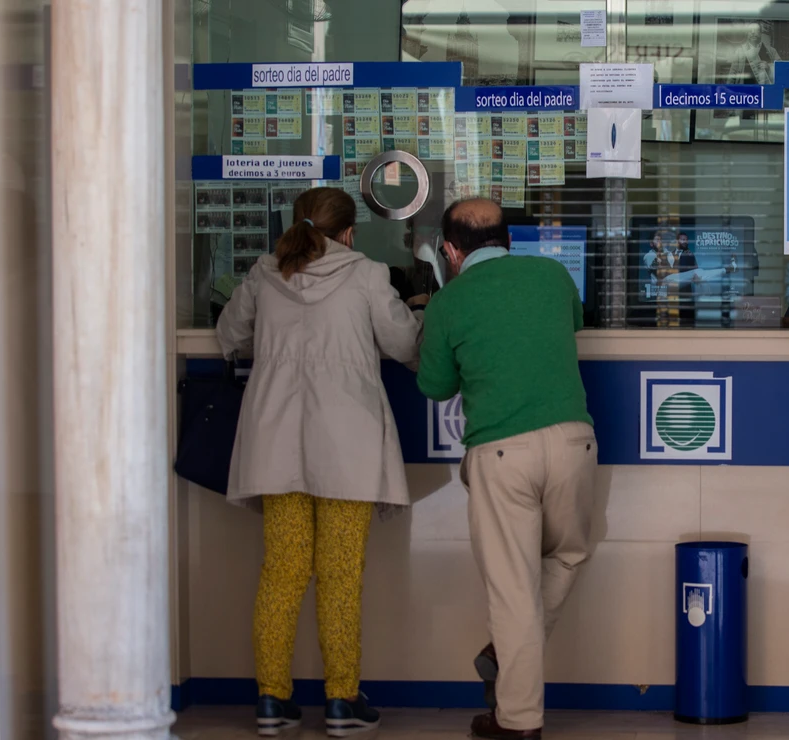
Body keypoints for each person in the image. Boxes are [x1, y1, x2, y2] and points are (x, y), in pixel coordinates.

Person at [216, 187, 428, 738]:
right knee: (339, 576)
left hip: (276, 442)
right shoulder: (365, 275)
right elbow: (406, 346)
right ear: (350, 232)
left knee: (282, 573)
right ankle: (341, 701)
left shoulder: (265, 275)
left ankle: (271, 701)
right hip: (348, 445)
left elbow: (228, 336)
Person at [417, 199, 597, 740]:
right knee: (566, 554)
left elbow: (434, 387)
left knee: (513, 592)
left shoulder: (450, 302)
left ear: (450, 251)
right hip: (574, 442)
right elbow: (574, 321)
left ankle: (518, 721)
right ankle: (508, 653)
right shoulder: (552, 274)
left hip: (501, 453)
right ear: (508, 239)